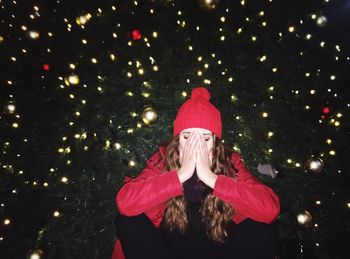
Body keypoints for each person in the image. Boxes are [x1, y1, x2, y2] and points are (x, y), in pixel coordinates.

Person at [111, 87, 280, 259]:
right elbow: (125, 203)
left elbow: (270, 210)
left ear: (215, 142)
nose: (196, 145)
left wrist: (211, 178)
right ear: (177, 141)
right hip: (168, 251)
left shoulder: (231, 162)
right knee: (128, 221)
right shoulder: (163, 160)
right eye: (187, 137)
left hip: (219, 250)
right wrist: (179, 176)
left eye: (205, 138)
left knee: (264, 229)